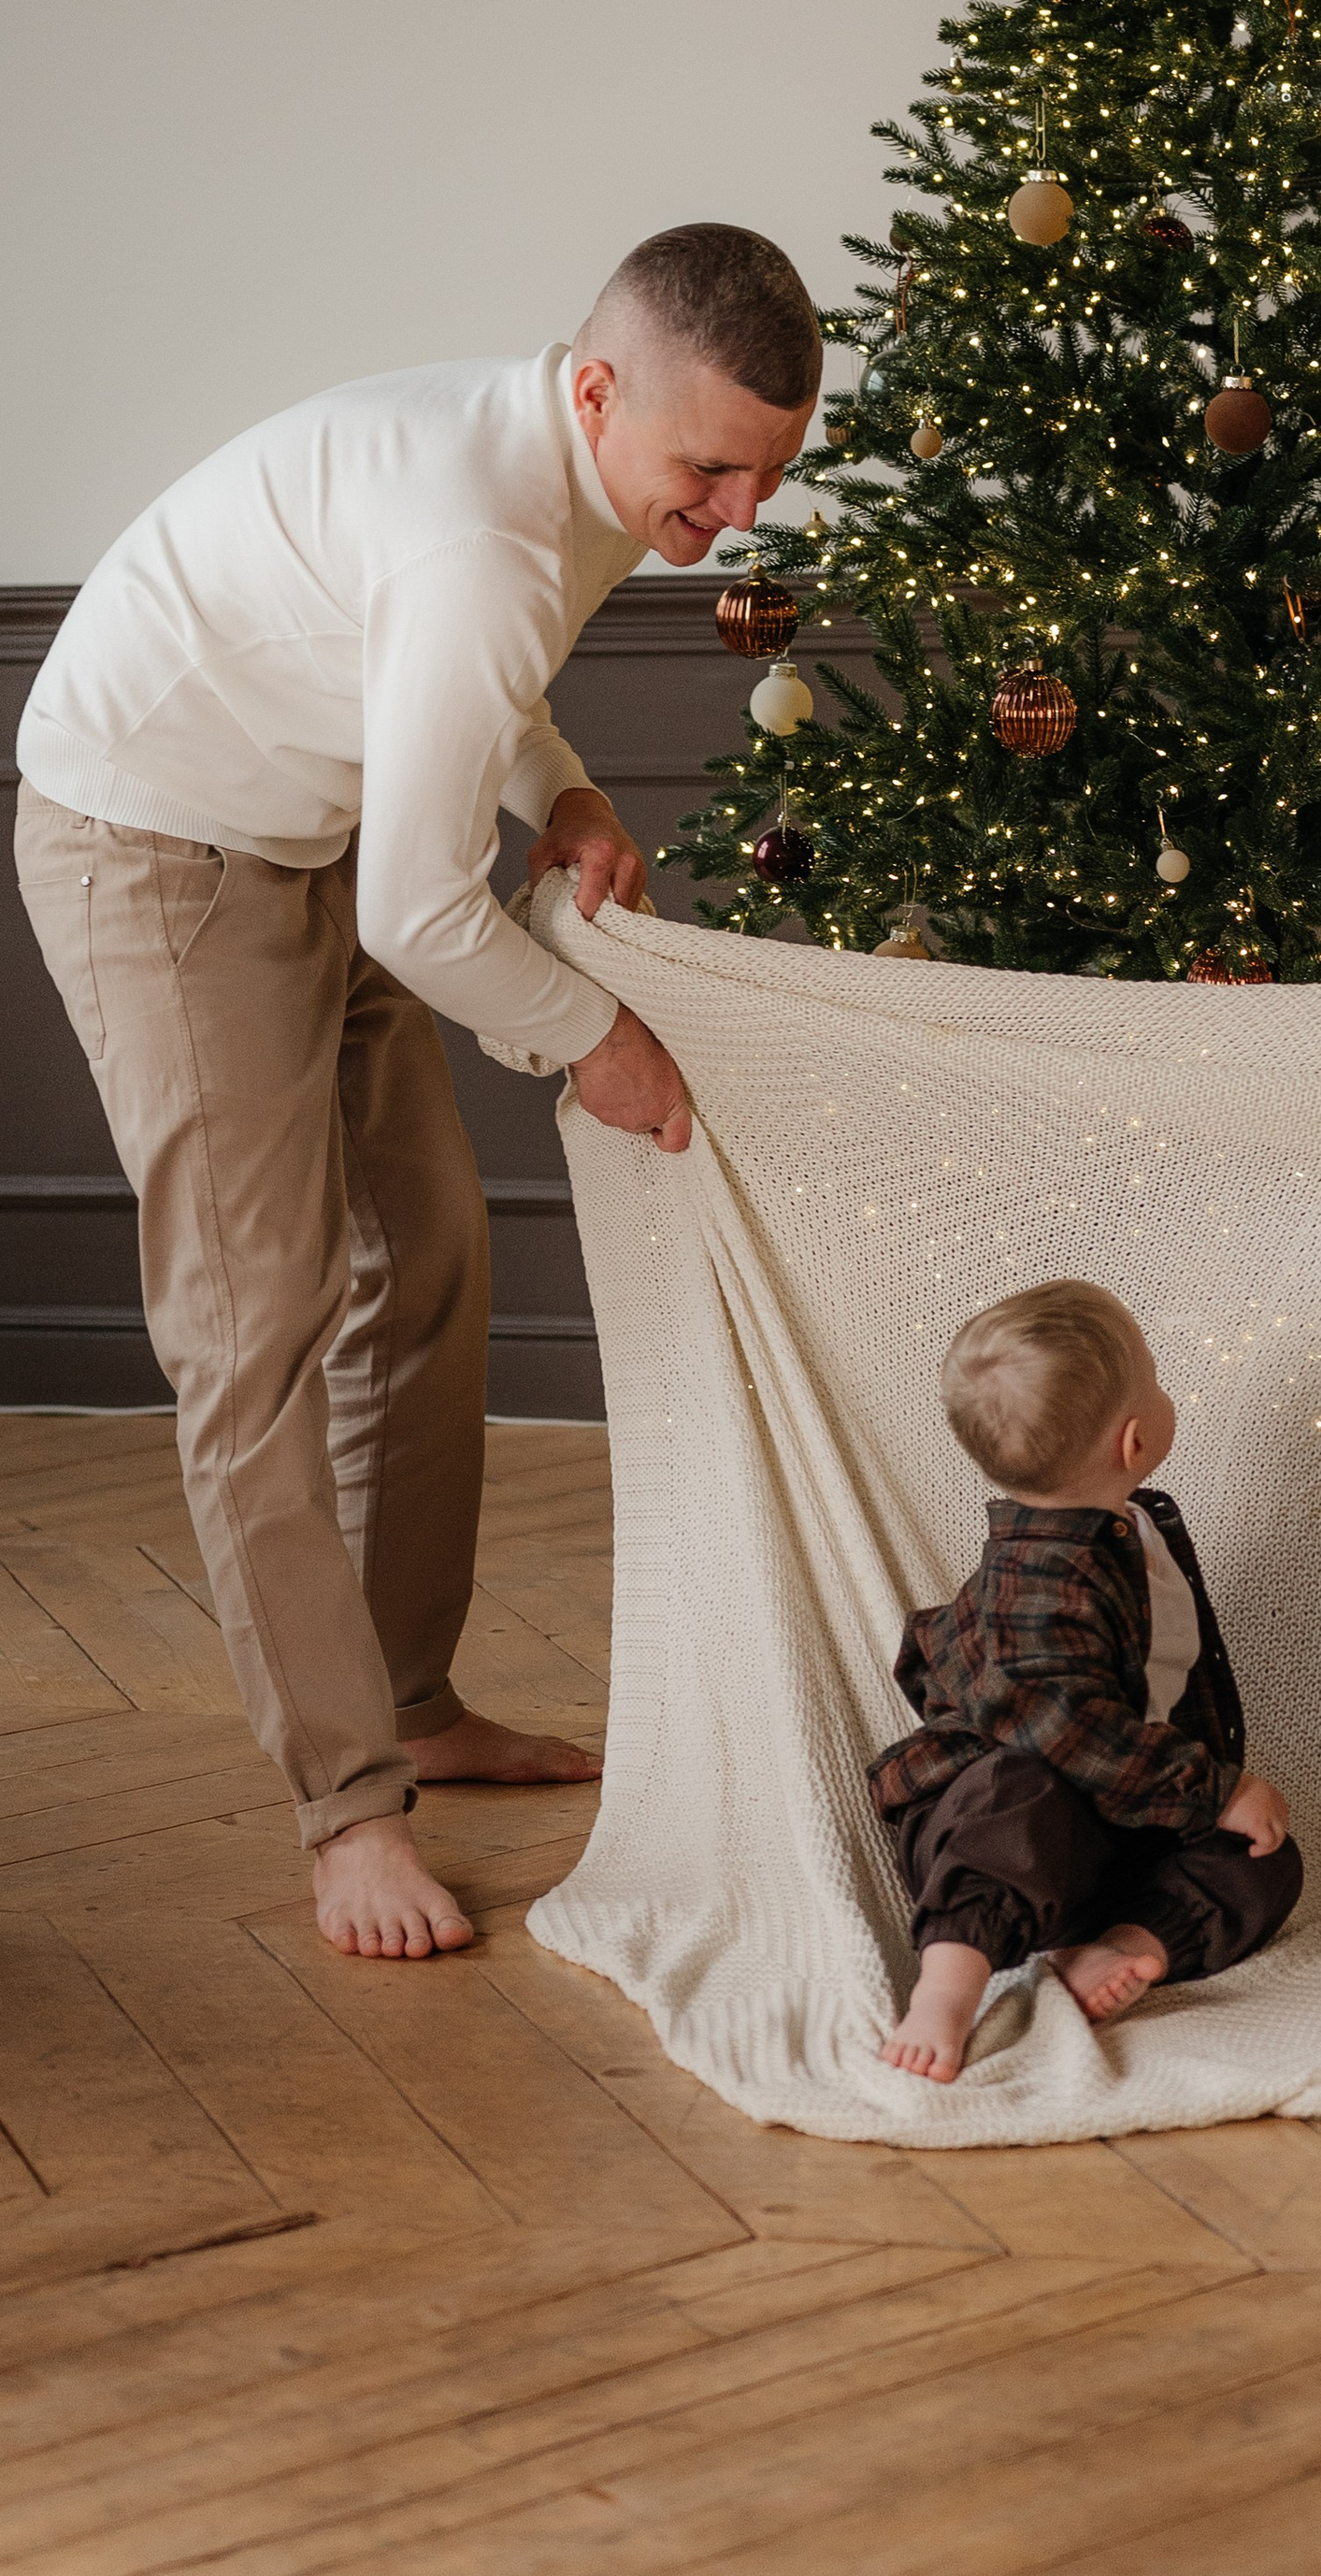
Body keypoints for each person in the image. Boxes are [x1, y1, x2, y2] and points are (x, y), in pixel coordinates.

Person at [14, 224, 821, 1963]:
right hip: (153, 845)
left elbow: (451, 679)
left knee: (435, 1239)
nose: (742, 508)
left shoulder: (575, 464)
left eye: (772, 472)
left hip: (316, 819)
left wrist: (569, 788)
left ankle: (412, 1695)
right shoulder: (487, 528)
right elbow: (423, 897)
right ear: (600, 388)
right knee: (256, 1324)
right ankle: (346, 1808)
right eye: (713, 467)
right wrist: (596, 1039)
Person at [873, 1282, 1301, 2084]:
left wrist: (1211, 1808)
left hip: (1107, 1824)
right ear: (1135, 1440)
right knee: (1019, 1790)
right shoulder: (1040, 1583)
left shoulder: (1124, 1528)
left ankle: (1122, 1943)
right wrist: (1211, 1788)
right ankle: (949, 1980)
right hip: (997, 1830)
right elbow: (1068, 1733)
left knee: (1265, 1857)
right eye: (1157, 1380)